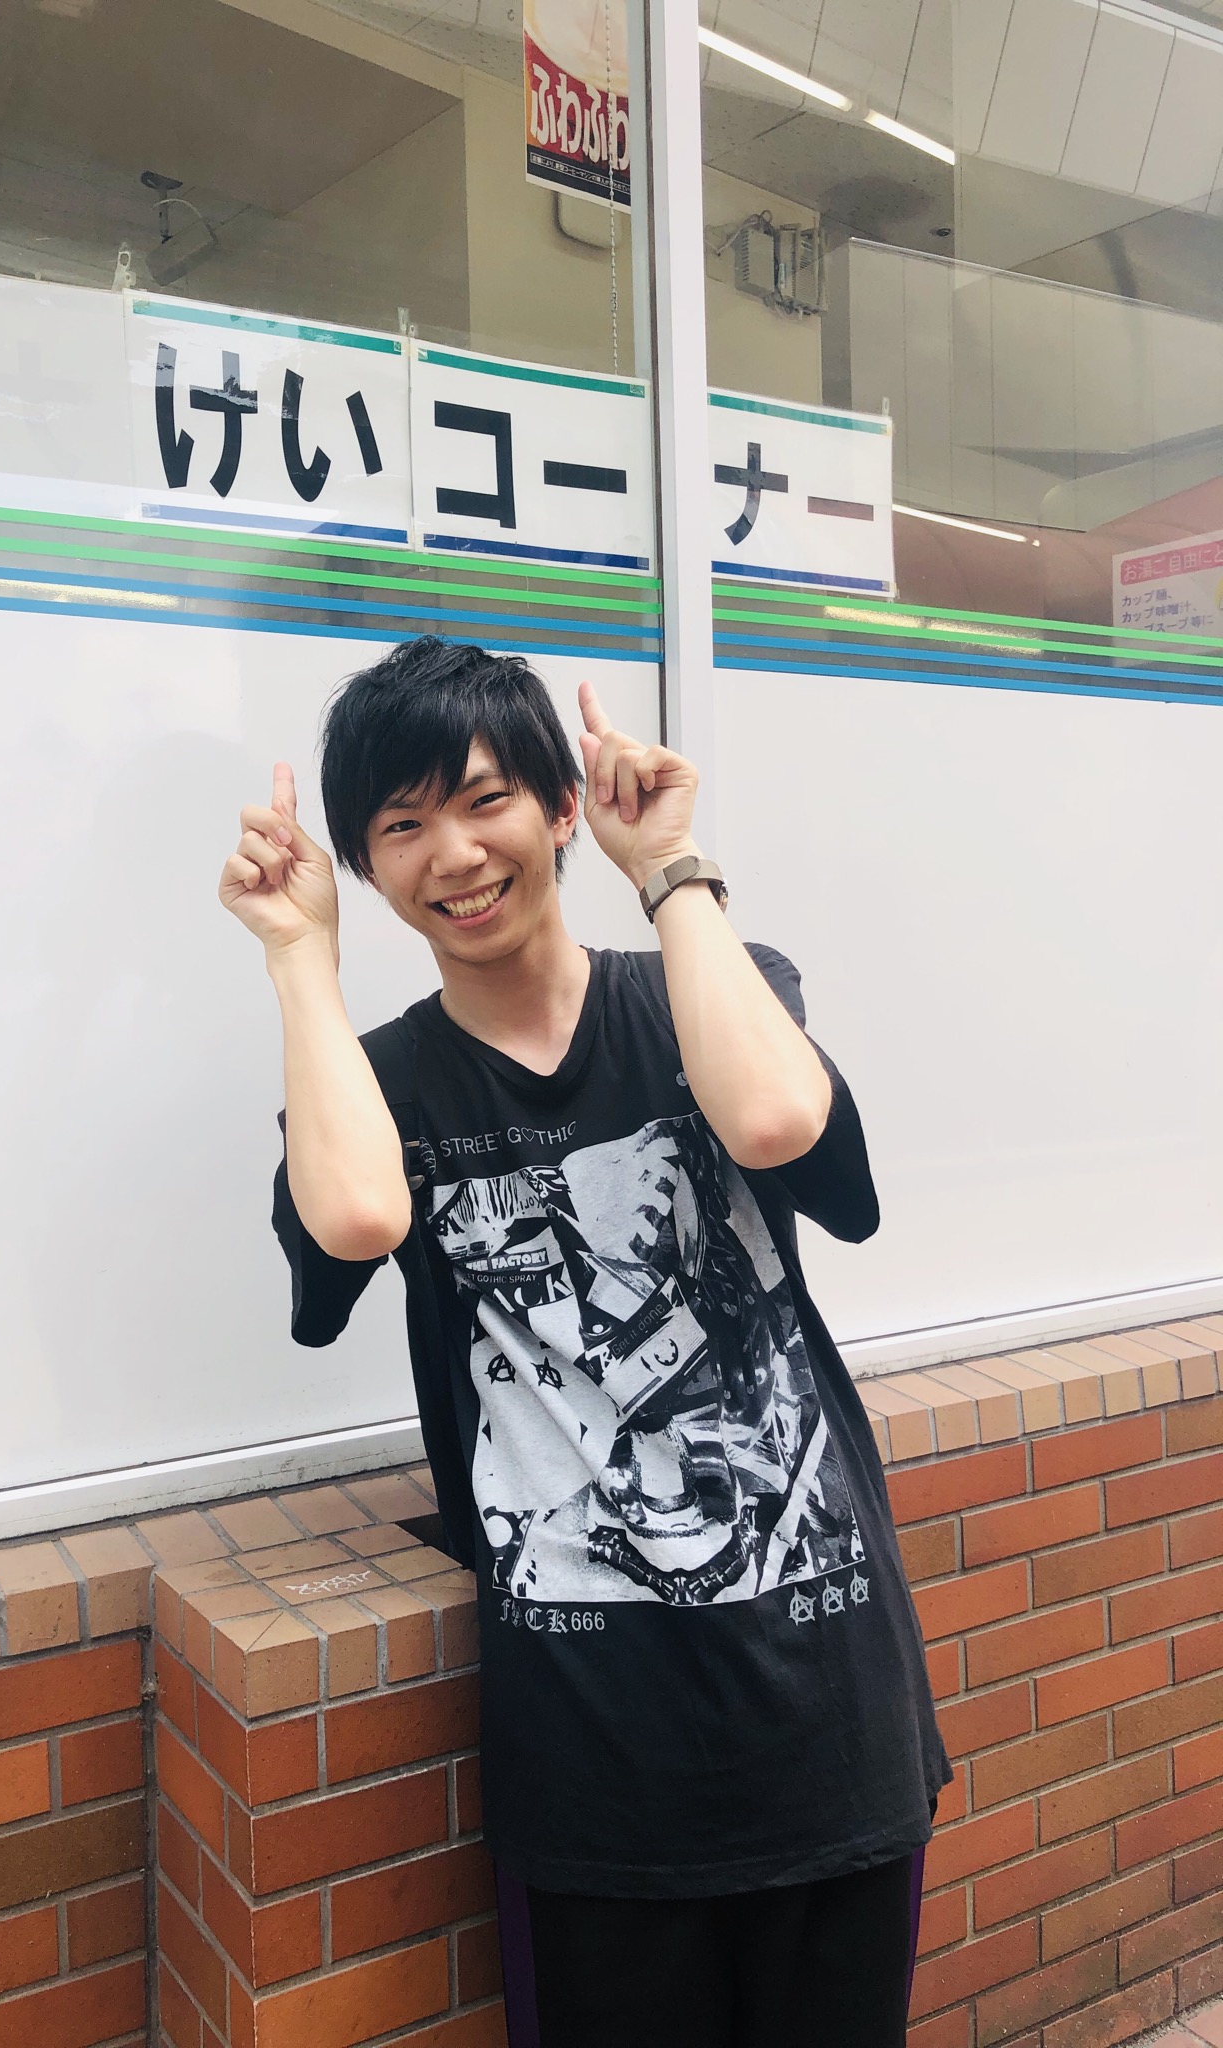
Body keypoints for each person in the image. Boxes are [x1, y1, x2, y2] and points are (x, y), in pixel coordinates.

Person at [219, 636, 949, 2048]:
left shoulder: (711, 983)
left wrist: (670, 870)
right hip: (592, 1757)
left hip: (826, 1705)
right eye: (402, 825)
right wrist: (300, 957)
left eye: (486, 799)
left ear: (562, 806)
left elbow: (777, 1126)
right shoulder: (380, 1087)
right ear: (366, 866)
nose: (454, 853)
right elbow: (360, 1218)